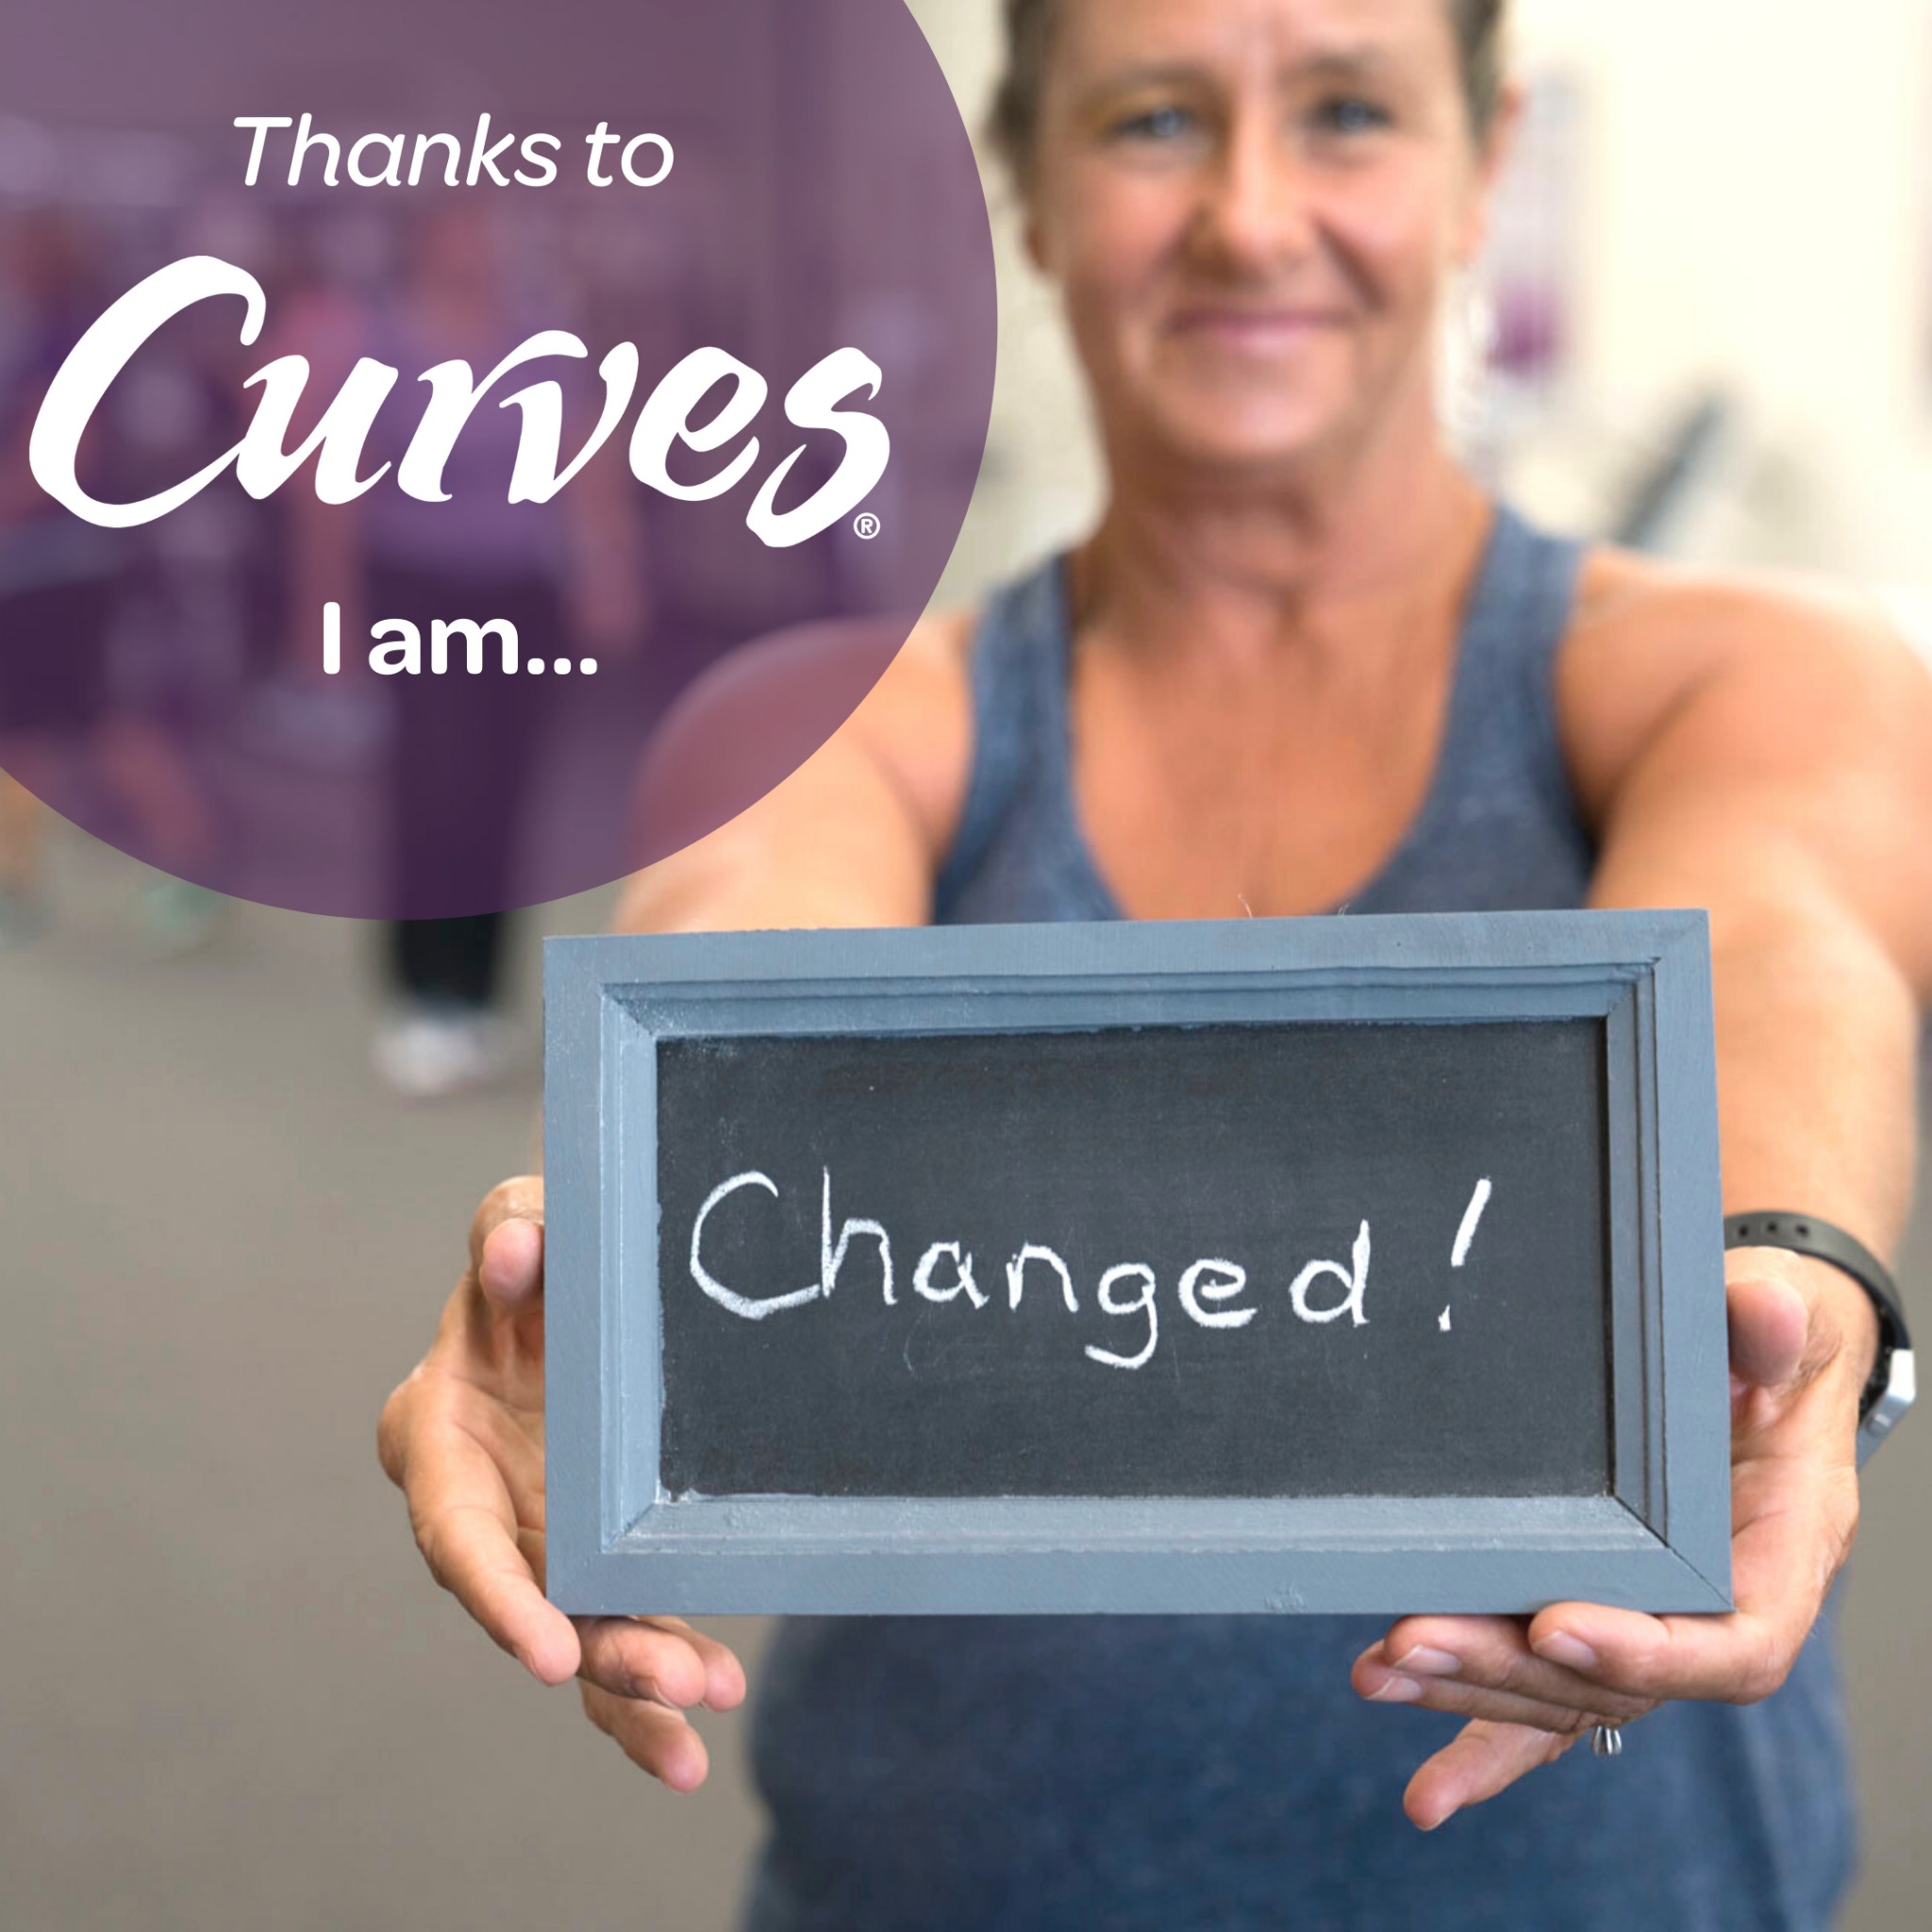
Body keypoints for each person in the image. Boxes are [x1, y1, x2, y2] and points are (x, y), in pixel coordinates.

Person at [377, 1, 1932, 1924]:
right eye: (1154, 123)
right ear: (1026, 188)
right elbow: (748, 959)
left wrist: (1787, 1269)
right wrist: (600, 1266)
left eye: (1346, 113)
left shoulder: (1757, 676)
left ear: (1481, 166)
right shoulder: (845, 719)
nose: (1251, 218)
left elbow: (1784, 948)